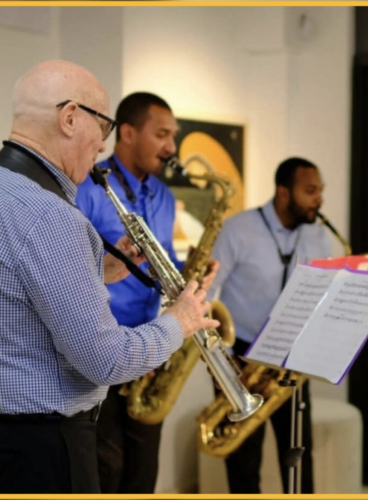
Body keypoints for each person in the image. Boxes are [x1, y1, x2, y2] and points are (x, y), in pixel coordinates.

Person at [0, 60, 219, 494]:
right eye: (103, 125)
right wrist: (180, 320)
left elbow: (8, 289)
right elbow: (107, 361)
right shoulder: (50, 215)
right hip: (40, 453)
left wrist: (95, 270)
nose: (102, 143)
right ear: (70, 117)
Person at [76, 92, 218, 494]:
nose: (172, 146)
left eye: (173, 135)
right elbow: (71, 269)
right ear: (127, 133)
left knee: (142, 475)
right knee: (107, 472)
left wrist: (192, 276)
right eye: (161, 134)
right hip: (101, 349)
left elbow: (162, 266)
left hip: (149, 350)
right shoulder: (88, 187)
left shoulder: (165, 196)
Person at [209, 157, 332, 493]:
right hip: (240, 357)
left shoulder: (318, 236)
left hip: (292, 358)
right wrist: (222, 363)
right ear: (283, 192)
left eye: (320, 190)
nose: (319, 199)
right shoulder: (238, 229)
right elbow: (205, 293)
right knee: (244, 464)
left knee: (299, 457)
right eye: (310, 191)